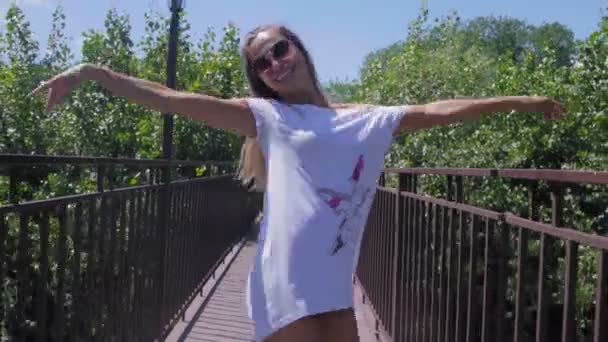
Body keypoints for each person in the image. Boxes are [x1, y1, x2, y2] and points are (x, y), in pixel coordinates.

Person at [31, 24, 565, 342]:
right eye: (262, 63)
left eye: (279, 50)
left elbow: (438, 111)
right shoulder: (268, 118)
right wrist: (93, 73)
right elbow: (170, 99)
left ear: (300, 50)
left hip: (335, 282)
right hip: (282, 284)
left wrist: (519, 101)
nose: (273, 64)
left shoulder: (364, 119)